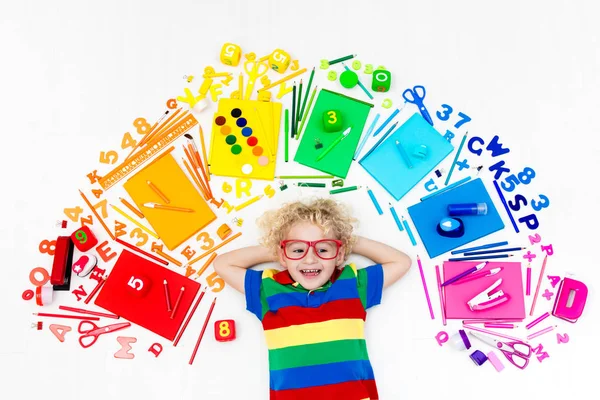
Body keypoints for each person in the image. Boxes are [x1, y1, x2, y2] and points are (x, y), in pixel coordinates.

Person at [214, 197, 412, 400]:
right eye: (298, 250)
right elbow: (222, 264)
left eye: (323, 249)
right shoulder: (269, 288)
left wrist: (347, 241)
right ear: (282, 256)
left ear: (339, 253)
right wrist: (278, 248)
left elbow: (401, 262)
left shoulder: (351, 284)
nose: (310, 258)